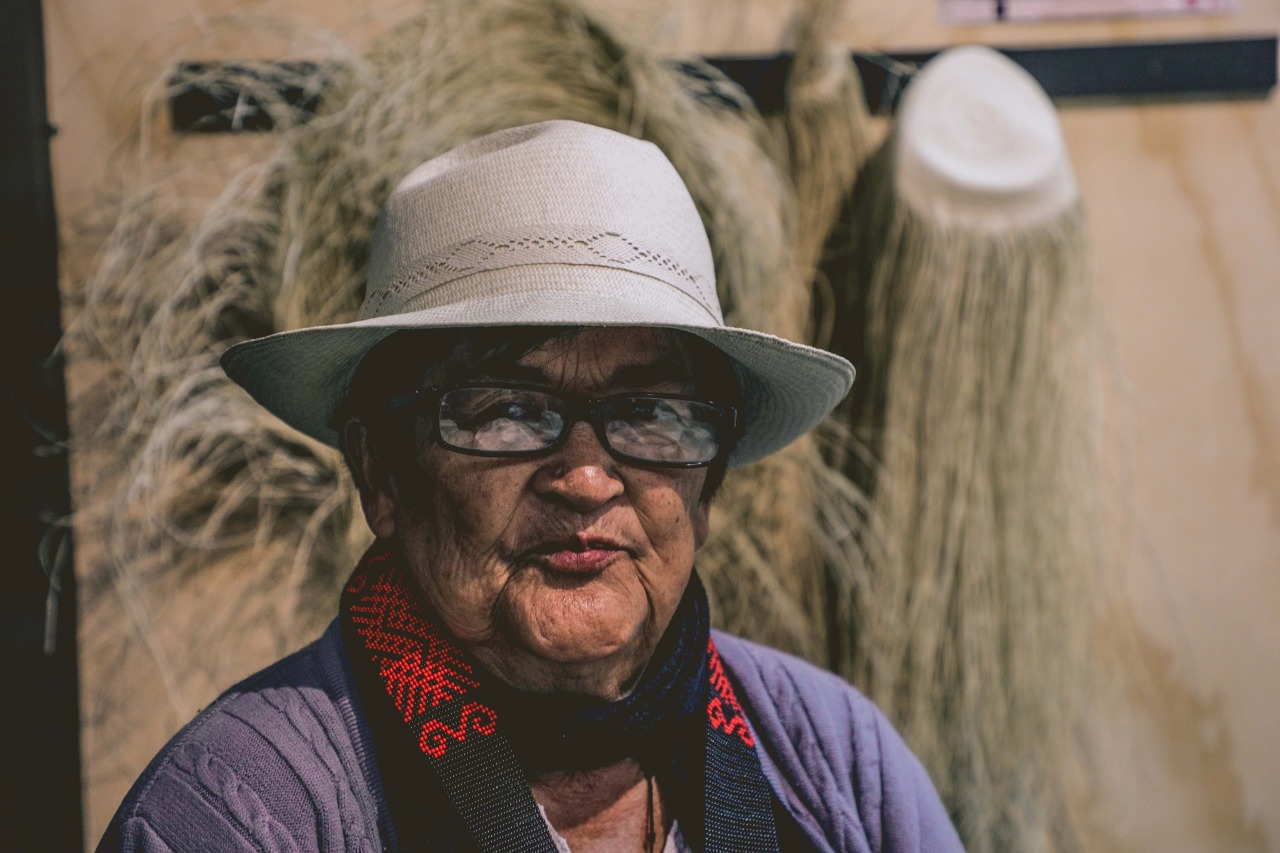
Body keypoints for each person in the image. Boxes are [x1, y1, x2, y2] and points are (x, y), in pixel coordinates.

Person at [98, 120, 963, 852]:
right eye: (506, 409)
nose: (587, 479)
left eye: (652, 410)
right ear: (380, 469)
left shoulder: (837, 759)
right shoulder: (239, 813)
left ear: (708, 486)